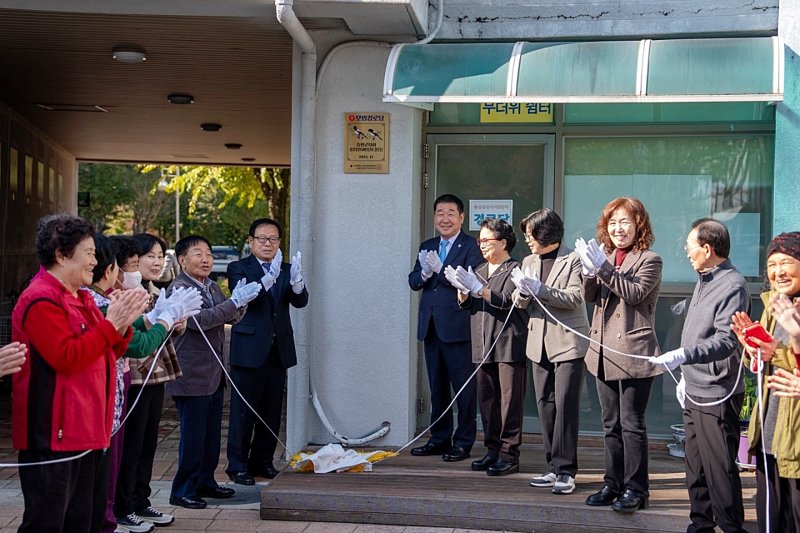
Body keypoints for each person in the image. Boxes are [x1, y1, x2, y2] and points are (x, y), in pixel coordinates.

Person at [11, 214, 148, 532]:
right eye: (88, 252)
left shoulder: (83, 297)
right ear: (60, 255)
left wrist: (123, 321)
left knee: (83, 521)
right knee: (47, 523)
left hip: (88, 430)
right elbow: (67, 357)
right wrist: (112, 324)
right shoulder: (40, 298)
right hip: (53, 435)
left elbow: (111, 349)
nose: (95, 260)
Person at [650, 219, 749, 533]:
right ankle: (701, 523)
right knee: (695, 465)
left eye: (690, 246)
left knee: (719, 467)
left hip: (717, 391)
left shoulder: (732, 284)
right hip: (694, 388)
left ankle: (731, 527)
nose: (686, 251)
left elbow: (725, 340)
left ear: (708, 249)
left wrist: (684, 356)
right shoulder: (704, 278)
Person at [575, 196, 663, 513]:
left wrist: (603, 268)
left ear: (639, 224)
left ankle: (637, 489)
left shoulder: (649, 259)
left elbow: (635, 293)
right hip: (601, 352)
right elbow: (590, 296)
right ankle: (613, 483)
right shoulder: (606, 257)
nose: (617, 228)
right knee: (609, 423)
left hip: (634, 351)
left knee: (632, 423)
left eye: (624, 221)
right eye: (612, 223)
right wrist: (589, 270)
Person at [166, 235, 261, 510]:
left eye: (208, 253)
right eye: (198, 254)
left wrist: (240, 302)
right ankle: (182, 489)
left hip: (214, 374)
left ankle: (205, 481)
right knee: (193, 437)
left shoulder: (210, 286)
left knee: (210, 436)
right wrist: (232, 304)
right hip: (192, 374)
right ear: (182, 260)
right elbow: (201, 321)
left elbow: (229, 317)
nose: (206, 259)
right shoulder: (180, 288)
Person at [114, 233, 193, 529]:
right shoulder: (125, 295)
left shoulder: (155, 292)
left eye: (161, 256)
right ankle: (123, 506)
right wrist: (161, 321)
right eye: (148, 257)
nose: (156, 262)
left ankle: (141, 501)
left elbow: (158, 337)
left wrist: (174, 324)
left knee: (147, 443)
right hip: (133, 378)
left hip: (155, 376)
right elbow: (138, 340)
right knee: (131, 445)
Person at [226, 218, 309, 484]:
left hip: (277, 349)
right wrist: (267, 280)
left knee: (271, 411)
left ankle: (263, 461)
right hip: (249, 348)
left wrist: (297, 282)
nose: (267, 243)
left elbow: (299, 301)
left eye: (273, 239)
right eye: (262, 238)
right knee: (243, 412)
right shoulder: (238, 267)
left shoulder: (285, 268)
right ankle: (237, 466)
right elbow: (246, 299)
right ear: (250, 241)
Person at [512, 208, 589, 495]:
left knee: (566, 406)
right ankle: (552, 465)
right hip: (538, 342)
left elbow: (574, 298)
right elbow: (518, 301)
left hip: (568, 342)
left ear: (546, 234)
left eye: (531, 235)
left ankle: (567, 470)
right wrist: (522, 292)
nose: (527, 241)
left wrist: (539, 289)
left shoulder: (573, 259)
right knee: (545, 404)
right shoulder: (529, 260)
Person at [445, 218, 527, 476]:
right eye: (480, 241)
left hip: (507, 344)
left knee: (508, 402)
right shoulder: (478, 270)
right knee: (487, 401)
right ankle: (492, 450)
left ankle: (509, 454)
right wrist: (463, 294)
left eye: (487, 240)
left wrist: (482, 291)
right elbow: (470, 307)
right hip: (482, 344)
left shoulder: (516, 269)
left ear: (503, 242)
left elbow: (508, 302)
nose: (481, 245)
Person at [731, 231, 800, 532]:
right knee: (770, 517)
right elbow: (765, 364)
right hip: (770, 430)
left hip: (795, 438)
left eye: (786, 262)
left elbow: (786, 356)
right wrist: (754, 352)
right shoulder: (774, 305)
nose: (778, 271)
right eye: (772, 264)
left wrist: (786, 344)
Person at [408, 194, 482, 462]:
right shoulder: (427, 245)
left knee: (463, 389)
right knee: (437, 388)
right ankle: (439, 439)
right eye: (440, 212)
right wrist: (425, 273)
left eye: (451, 213)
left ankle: (463, 442)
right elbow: (413, 280)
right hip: (431, 328)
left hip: (459, 329)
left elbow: (471, 283)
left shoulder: (472, 246)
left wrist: (439, 271)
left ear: (461, 217)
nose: (445, 218)